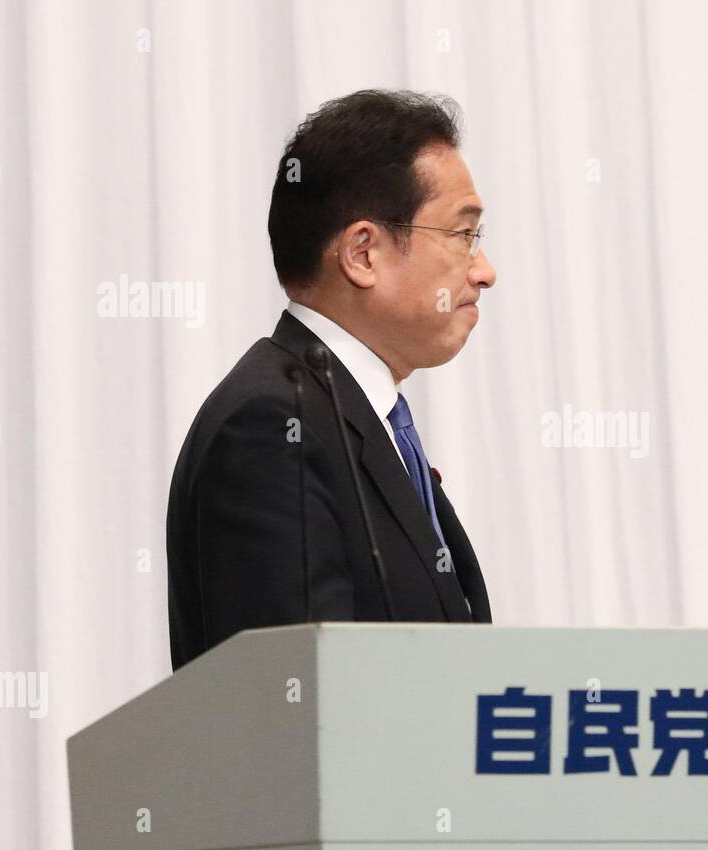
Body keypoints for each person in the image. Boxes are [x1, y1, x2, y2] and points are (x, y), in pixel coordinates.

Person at [167, 90, 497, 671]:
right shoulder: (273, 425)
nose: (484, 270)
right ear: (362, 254)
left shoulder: (363, 418)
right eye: (461, 235)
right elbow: (295, 706)